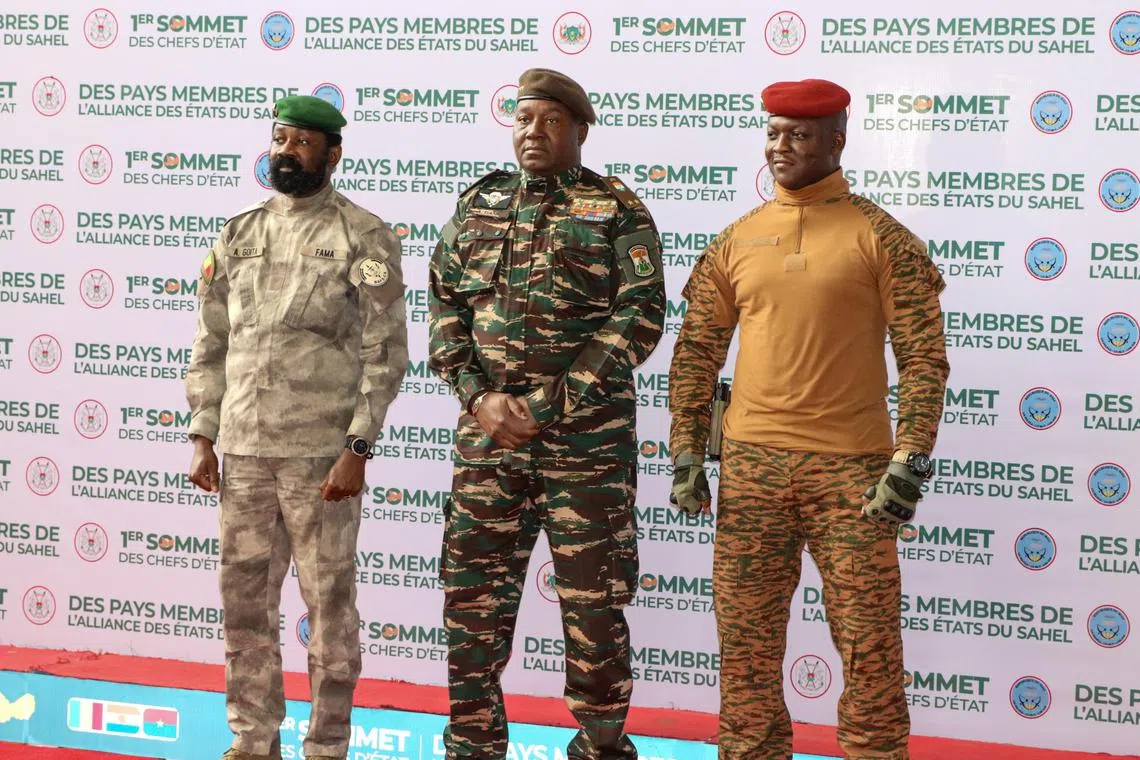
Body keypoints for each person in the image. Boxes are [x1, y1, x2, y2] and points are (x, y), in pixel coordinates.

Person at [668, 79, 949, 760]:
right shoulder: (737, 239)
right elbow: (697, 350)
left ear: (836, 142)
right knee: (745, 649)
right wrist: (686, 451)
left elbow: (923, 358)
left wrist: (910, 458)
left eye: (799, 135)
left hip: (853, 477)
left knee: (870, 647)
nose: (781, 146)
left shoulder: (882, 237)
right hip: (751, 472)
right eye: (773, 133)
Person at [428, 68, 665, 760]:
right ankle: (472, 746)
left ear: (580, 130)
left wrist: (547, 404)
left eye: (551, 121)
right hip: (488, 446)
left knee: (594, 609)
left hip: (585, 450)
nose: (534, 132)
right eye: (524, 119)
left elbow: (640, 315)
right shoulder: (479, 204)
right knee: (471, 605)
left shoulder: (614, 209)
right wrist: (477, 396)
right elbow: (444, 304)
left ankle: (599, 747)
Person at [185, 95, 409, 760]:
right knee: (245, 611)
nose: (287, 151)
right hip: (244, 453)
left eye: (302, 142)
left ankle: (326, 747)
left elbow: (386, 352)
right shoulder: (239, 233)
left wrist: (358, 446)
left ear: (332, 154)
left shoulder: (363, 235)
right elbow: (211, 342)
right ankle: (252, 742)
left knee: (329, 612)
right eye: (280, 139)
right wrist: (203, 434)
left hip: (320, 459)